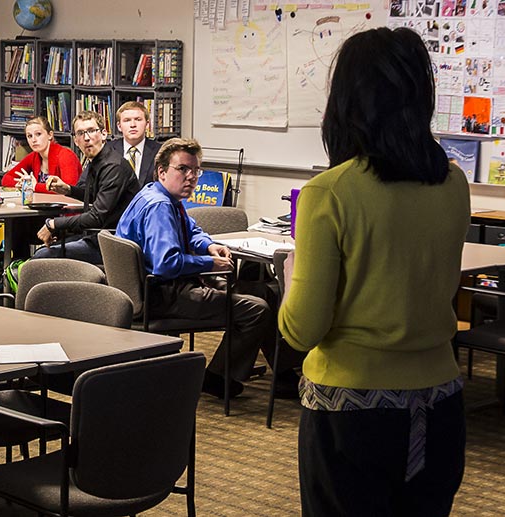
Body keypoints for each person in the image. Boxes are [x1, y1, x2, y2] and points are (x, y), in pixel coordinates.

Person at [278, 27, 469, 516]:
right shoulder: (453, 182)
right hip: (440, 399)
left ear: (346, 101)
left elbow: (302, 330)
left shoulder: (330, 192)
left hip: (352, 407)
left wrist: (291, 276)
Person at [115, 137, 291, 399]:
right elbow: (167, 264)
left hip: (161, 287)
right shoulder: (160, 207)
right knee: (256, 309)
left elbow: (192, 230)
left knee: (265, 293)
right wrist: (210, 263)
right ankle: (217, 377)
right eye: (183, 169)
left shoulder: (159, 194)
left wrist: (208, 246)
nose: (191, 177)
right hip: (164, 294)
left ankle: (284, 373)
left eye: (196, 170)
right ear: (162, 172)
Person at [33, 111, 138, 264]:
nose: (87, 138)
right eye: (81, 133)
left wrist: (54, 224)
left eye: (91, 131)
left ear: (103, 134)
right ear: (76, 141)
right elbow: (95, 195)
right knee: (42, 251)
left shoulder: (113, 166)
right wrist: (68, 189)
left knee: (41, 258)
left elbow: (96, 217)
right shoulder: (97, 160)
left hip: (115, 244)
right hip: (99, 236)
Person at [1, 116, 82, 193]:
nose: (33, 140)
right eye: (29, 136)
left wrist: (35, 186)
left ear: (50, 135)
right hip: (43, 201)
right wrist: (22, 184)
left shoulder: (66, 155)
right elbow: (6, 179)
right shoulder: (34, 156)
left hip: (68, 202)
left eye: (38, 134)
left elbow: (68, 188)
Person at [101, 101, 163, 186]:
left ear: (147, 124)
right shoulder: (107, 150)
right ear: (119, 126)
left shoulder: (161, 151)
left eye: (138, 119)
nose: (133, 125)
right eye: (127, 120)